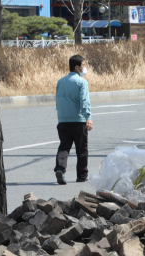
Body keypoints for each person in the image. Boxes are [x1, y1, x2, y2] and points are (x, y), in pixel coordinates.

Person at [54, 54, 93, 185]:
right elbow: (84, 101)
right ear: (76, 67)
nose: (85, 68)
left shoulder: (60, 81)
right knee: (81, 149)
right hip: (78, 120)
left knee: (64, 147)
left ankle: (60, 169)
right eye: (83, 65)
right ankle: (82, 175)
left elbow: (58, 100)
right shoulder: (82, 82)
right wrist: (88, 117)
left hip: (63, 120)